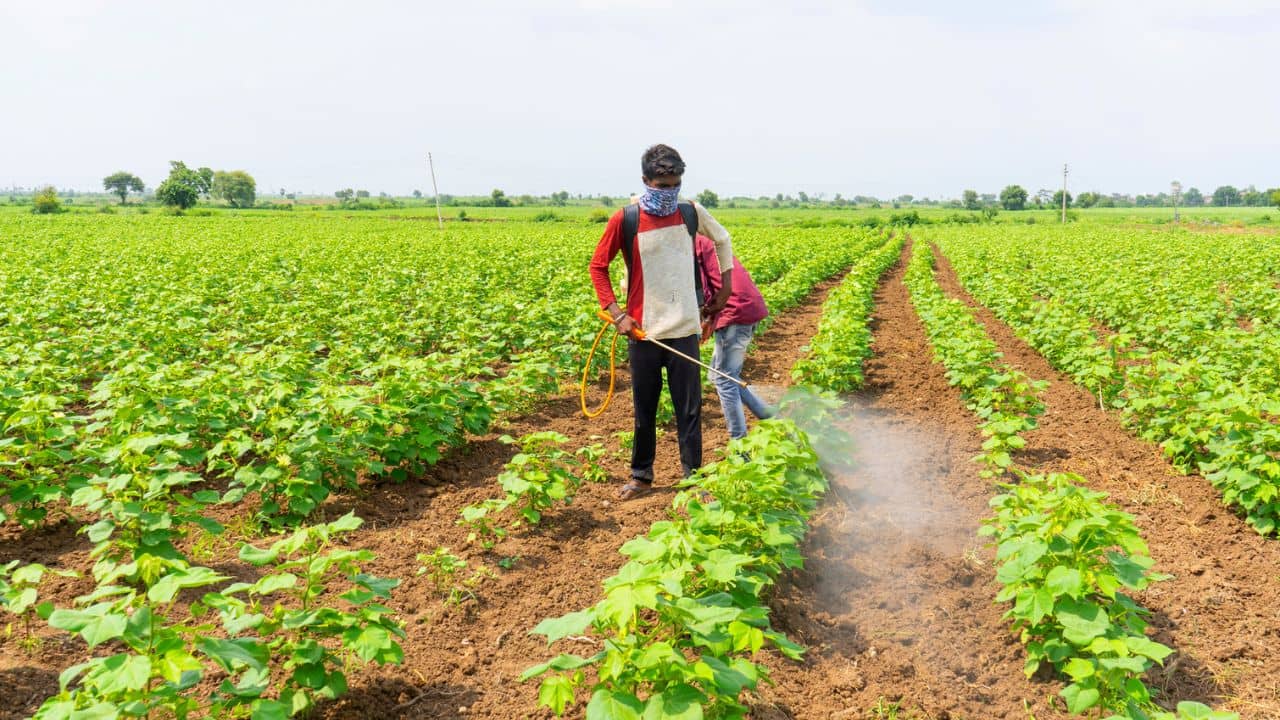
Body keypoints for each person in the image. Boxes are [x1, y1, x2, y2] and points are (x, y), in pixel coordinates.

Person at [589, 144, 735, 500]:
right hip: (644, 332)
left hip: (684, 326)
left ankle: (693, 478)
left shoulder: (689, 212)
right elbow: (598, 267)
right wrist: (616, 313)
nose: (669, 192)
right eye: (662, 185)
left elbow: (723, 239)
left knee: (690, 409)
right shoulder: (626, 219)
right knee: (645, 409)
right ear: (645, 181)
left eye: (675, 185)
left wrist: (725, 286)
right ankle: (641, 476)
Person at [694, 236, 773, 439]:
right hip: (744, 308)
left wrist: (702, 320)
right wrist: (708, 321)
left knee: (724, 378)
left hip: (736, 312)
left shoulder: (693, 245)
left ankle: (739, 444)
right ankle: (769, 416)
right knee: (721, 375)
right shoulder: (708, 240)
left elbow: (700, 292)